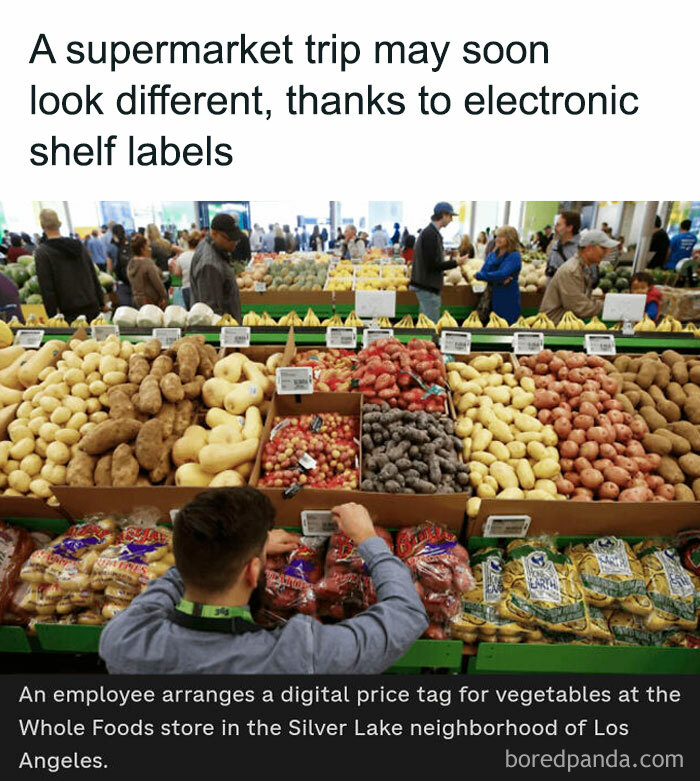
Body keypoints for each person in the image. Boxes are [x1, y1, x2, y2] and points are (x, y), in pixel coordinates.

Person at [99, 489, 428, 674]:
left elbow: (168, 585)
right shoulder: (298, 655)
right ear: (252, 572)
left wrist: (242, 547)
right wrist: (369, 540)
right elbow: (406, 615)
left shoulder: (123, 639)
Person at [34, 209, 105, 322]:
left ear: (42, 226)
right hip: (92, 305)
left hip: (68, 312)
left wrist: (53, 315)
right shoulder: (78, 245)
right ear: (59, 224)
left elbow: (47, 287)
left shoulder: (43, 252)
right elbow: (92, 274)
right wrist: (101, 302)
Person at [540, 229, 618, 325]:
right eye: (603, 248)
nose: (607, 252)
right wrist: (608, 305)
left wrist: (600, 300)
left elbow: (580, 298)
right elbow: (580, 307)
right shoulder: (572, 271)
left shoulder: (584, 268)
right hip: (554, 327)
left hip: (565, 324)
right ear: (589, 248)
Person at [409, 202, 467, 323]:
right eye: (450, 216)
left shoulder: (431, 233)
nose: (451, 220)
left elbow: (431, 260)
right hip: (428, 288)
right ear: (443, 215)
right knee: (429, 327)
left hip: (426, 286)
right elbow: (432, 265)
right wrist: (455, 263)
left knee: (425, 324)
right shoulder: (430, 234)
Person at [190, 213, 242, 322]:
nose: (234, 243)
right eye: (229, 238)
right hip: (223, 332)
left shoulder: (211, 246)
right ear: (214, 233)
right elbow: (211, 312)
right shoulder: (209, 265)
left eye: (236, 239)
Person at [475, 226, 522, 325]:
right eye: (497, 236)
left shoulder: (514, 256)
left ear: (510, 239)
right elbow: (484, 271)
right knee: (488, 327)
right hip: (490, 297)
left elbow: (502, 273)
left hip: (507, 299)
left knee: (505, 328)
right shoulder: (492, 255)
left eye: (502, 236)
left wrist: (487, 276)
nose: (497, 239)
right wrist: (499, 279)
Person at [127, 234, 168, 309]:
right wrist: (164, 296)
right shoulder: (147, 263)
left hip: (136, 300)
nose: (150, 249)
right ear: (142, 249)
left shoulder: (131, 264)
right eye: (148, 246)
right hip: (150, 301)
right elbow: (157, 282)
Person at [545, 211, 581, 279]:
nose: (554, 228)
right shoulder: (555, 245)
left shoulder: (581, 249)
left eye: (558, 225)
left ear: (569, 228)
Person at [171, 230, 200, 309]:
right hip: (200, 288)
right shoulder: (201, 256)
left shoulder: (182, 256)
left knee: (190, 311)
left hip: (186, 288)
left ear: (188, 242)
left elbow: (177, 273)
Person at [106, 224, 132, 307]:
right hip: (134, 278)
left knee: (126, 307)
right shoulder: (130, 244)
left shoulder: (111, 247)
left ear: (113, 234)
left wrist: (111, 277)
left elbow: (110, 267)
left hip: (121, 281)